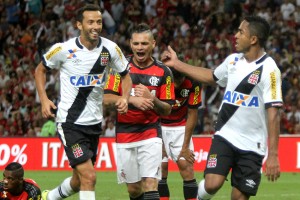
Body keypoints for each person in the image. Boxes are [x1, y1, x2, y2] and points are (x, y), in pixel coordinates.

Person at [161, 16, 283, 200]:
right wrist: (177, 64)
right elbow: (211, 76)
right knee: (212, 184)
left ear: (253, 39)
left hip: (253, 145)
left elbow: (273, 115)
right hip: (225, 135)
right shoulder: (233, 61)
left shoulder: (270, 70)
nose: (235, 35)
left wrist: (273, 155)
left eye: (241, 32)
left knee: (239, 197)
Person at [35, 4, 132, 200]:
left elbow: (126, 76)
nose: (96, 26)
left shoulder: (110, 49)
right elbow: (40, 70)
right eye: (90, 22)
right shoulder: (63, 49)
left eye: (98, 22)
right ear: (79, 24)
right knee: (89, 176)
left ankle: (48, 197)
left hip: (94, 123)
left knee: (78, 181)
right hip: (69, 123)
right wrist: (44, 100)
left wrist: (125, 97)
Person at [104, 23, 175, 200]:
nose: (140, 47)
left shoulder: (163, 72)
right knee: (134, 190)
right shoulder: (119, 68)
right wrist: (131, 99)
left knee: (151, 183)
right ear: (130, 44)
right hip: (125, 133)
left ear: (153, 44)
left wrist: (153, 100)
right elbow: (106, 99)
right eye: (136, 44)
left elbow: (167, 110)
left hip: (150, 132)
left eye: (144, 43)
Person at [158, 68, 202, 200]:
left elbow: (193, 114)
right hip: (159, 125)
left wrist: (185, 146)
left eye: (179, 81)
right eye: (174, 82)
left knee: (186, 168)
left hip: (181, 127)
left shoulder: (194, 82)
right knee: (160, 169)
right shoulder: (160, 78)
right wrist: (157, 137)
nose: (176, 85)